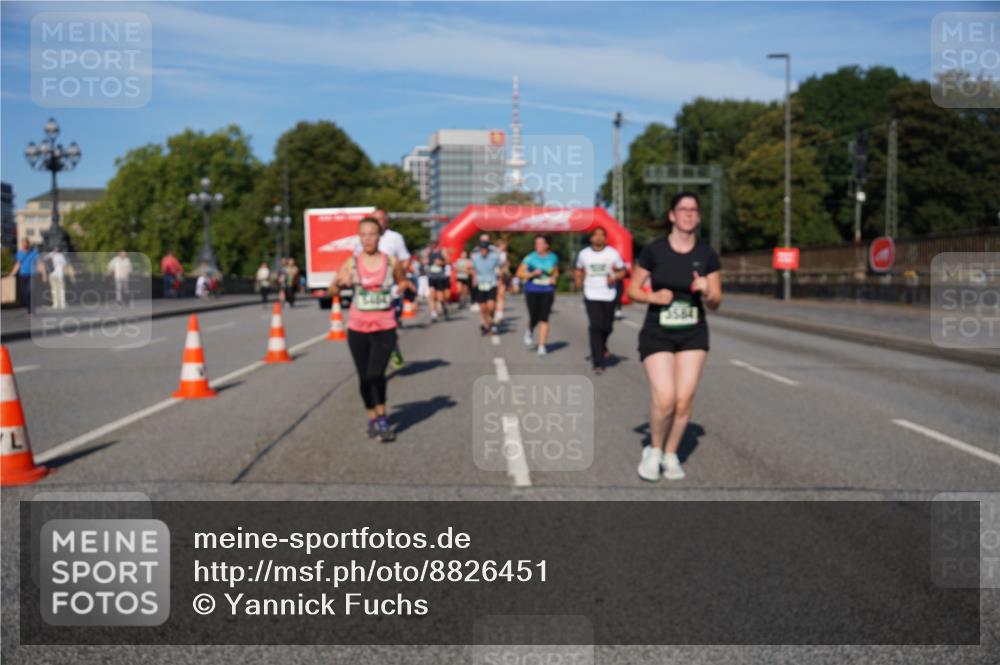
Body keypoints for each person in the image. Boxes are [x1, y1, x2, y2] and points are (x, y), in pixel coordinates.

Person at [627, 192, 722, 482]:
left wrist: (707, 288)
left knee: (684, 399)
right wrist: (652, 296)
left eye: (694, 210)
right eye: (683, 209)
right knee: (665, 396)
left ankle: (671, 453)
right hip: (658, 331)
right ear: (672, 215)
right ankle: (653, 450)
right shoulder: (654, 251)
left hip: (693, 331)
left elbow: (717, 301)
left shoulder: (707, 255)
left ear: (699, 216)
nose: (689, 214)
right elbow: (631, 289)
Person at [336, 216, 415, 442]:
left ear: (379, 236)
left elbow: (402, 281)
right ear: (359, 237)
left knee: (376, 373)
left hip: (385, 325)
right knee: (363, 378)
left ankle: (382, 417)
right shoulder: (351, 263)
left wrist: (401, 288)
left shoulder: (391, 262)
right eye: (364, 235)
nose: (368, 238)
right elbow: (333, 287)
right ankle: (372, 417)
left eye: (372, 234)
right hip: (357, 327)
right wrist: (341, 283)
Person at [354, 210, 411, 369]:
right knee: (371, 326)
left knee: (391, 324)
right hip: (368, 289)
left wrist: (399, 278)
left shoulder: (395, 237)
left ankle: (391, 348)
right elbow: (356, 262)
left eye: (380, 219)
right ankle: (378, 355)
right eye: (375, 220)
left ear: (386, 221)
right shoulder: (364, 239)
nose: (378, 222)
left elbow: (405, 260)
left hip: (390, 289)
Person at [575, 226, 626, 374]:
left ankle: (601, 347)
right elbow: (579, 268)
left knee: (607, 327)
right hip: (591, 293)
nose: (599, 237)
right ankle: (598, 361)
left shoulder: (612, 253)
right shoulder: (584, 254)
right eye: (596, 235)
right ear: (591, 238)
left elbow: (623, 271)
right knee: (595, 326)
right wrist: (578, 279)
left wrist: (614, 277)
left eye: (602, 235)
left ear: (605, 238)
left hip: (609, 294)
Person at [516, 235, 560, 356]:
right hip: (532, 290)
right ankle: (530, 330)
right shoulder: (530, 258)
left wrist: (554, 278)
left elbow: (555, 271)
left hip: (547, 290)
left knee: (544, 318)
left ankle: (541, 346)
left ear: (546, 245)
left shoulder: (553, 257)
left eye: (540, 243)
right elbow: (519, 273)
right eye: (536, 243)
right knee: (534, 316)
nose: (537, 246)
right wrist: (532, 274)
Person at [470, 235, 501, 336]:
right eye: (481, 249)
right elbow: (473, 269)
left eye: (485, 249)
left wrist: (500, 280)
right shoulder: (475, 257)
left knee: (491, 306)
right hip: (480, 283)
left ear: (488, 249)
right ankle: (486, 324)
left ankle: (491, 320)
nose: (483, 251)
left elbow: (498, 268)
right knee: (483, 308)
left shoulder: (494, 256)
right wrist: (474, 278)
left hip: (491, 282)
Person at [8, 239, 41, 315]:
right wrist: (11, 274)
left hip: (32, 274)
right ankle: (29, 308)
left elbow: (39, 263)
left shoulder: (34, 253)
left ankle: (32, 308)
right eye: (22, 243)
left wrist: (44, 273)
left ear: (28, 244)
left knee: (30, 291)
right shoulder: (19, 253)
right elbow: (18, 264)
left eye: (24, 243)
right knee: (24, 293)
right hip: (23, 275)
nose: (23, 244)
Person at [426, 241, 452, 322]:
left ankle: (445, 310)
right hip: (431, 277)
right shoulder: (428, 251)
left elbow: (449, 261)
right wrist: (425, 261)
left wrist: (441, 262)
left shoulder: (442, 251)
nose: (433, 245)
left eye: (435, 244)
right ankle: (433, 314)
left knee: (440, 298)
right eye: (432, 244)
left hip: (440, 277)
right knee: (431, 296)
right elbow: (424, 261)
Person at [494, 238, 510, 323]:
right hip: (495, 275)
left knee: (501, 294)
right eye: (504, 246)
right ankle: (496, 311)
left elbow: (507, 265)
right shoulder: (494, 253)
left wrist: (507, 273)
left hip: (503, 275)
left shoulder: (505, 254)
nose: (505, 247)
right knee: (496, 295)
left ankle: (500, 312)